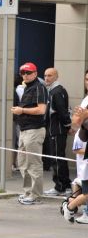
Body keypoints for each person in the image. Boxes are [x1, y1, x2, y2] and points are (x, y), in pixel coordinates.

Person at [11, 62, 47, 205]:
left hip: (34, 130)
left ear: (35, 73)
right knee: (23, 163)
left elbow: (41, 110)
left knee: (34, 163)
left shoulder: (39, 87)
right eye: (23, 73)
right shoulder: (27, 87)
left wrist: (22, 111)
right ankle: (27, 192)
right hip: (25, 129)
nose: (25, 75)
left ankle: (36, 195)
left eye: (28, 72)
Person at [42, 68, 72, 196]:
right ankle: (66, 185)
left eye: (49, 75)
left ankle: (60, 187)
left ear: (56, 77)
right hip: (57, 129)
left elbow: (62, 111)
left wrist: (68, 125)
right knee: (59, 157)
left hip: (57, 130)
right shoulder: (57, 90)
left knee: (56, 158)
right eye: (45, 75)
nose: (46, 78)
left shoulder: (56, 91)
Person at [62, 131, 88, 223]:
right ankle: (70, 207)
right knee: (86, 195)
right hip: (85, 169)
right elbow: (76, 149)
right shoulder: (82, 131)